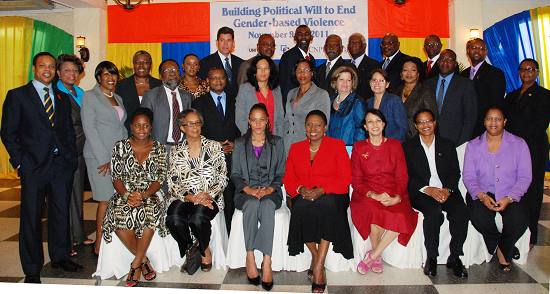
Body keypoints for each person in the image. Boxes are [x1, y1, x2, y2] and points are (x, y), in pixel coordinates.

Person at [1, 52, 81, 283]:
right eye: (42, 66)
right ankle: (32, 268)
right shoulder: (18, 96)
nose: (47, 70)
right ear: (34, 68)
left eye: (51, 66)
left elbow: (66, 131)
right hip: (33, 167)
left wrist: (70, 158)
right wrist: (19, 162)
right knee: (31, 217)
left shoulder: (62, 97)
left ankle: (60, 256)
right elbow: (8, 132)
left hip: (61, 166)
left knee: (60, 213)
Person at [284, 110, 353, 293]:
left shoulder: (337, 145)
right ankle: (316, 257)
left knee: (328, 205)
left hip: (332, 193)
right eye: (309, 124)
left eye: (318, 125)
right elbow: (289, 177)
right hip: (305, 193)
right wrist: (300, 190)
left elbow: (345, 177)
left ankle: (318, 266)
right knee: (299, 207)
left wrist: (322, 190)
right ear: (304, 127)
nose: (313, 128)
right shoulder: (296, 148)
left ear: (325, 128)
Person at [102, 107, 167, 287]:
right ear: (131, 127)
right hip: (126, 192)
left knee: (151, 211)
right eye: (137, 126)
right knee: (116, 213)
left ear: (151, 128)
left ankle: (135, 264)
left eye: (145, 126)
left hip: (151, 192)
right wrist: (127, 195)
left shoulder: (159, 148)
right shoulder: (120, 147)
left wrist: (144, 195)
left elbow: (159, 179)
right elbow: (116, 178)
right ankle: (144, 260)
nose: (141, 129)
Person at [463, 107, 531, 272]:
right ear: (484, 121)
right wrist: (482, 196)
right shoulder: (473, 145)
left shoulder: (519, 144)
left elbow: (525, 177)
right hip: (482, 192)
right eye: (489, 119)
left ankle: (502, 249)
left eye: (498, 119)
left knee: (518, 220)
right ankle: (502, 246)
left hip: (510, 192)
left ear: (505, 122)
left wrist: (509, 198)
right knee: (479, 217)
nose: (493, 123)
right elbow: (468, 176)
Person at [403, 109, 469, 278]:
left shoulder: (447, 144)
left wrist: (447, 189)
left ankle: (455, 258)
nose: (425, 125)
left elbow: (455, 172)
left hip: (446, 190)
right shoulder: (408, 146)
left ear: (435, 123)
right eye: (421, 122)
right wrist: (428, 189)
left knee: (460, 212)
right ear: (416, 126)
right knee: (433, 213)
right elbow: (407, 175)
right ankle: (431, 257)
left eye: (428, 121)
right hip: (422, 192)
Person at [351, 109, 418, 275]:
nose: (374, 125)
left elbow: (402, 176)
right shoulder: (359, 147)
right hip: (367, 193)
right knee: (373, 213)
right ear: (365, 127)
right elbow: (356, 180)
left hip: (394, 192)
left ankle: (373, 255)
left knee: (402, 216)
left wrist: (397, 197)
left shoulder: (395, 145)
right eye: (370, 122)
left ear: (384, 124)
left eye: (378, 121)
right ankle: (377, 256)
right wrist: (373, 195)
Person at [231, 104, 286, 291]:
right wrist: (248, 189)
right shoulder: (239, 143)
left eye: (262, 119)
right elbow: (235, 174)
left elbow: (280, 173)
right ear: (248, 121)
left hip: (271, 193)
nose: (258, 124)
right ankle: (250, 256)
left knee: (268, 207)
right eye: (254, 120)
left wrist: (270, 189)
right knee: (253, 205)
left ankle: (267, 261)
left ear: (267, 121)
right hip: (245, 193)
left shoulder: (277, 142)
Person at [166, 109, 228, 273]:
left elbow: (223, 177)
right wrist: (189, 197)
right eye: (190, 124)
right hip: (185, 197)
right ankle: (198, 250)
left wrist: (208, 194)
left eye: (197, 123)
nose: (195, 127)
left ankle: (201, 251)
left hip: (209, 196)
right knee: (173, 219)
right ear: (182, 128)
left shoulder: (214, 147)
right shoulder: (175, 151)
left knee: (197, 219)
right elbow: (172, 181)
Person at [82, 61, 128, 256]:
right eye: (106, 75)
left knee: (118, 198)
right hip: (99, 157)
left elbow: (121, 128)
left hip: (119, 155)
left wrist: (127, 153)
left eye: (113, 74)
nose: (110, 78)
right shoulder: (90, 97)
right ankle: (99, 240)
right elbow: (90, 129)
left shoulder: (117, 97)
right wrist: (104, 159)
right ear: (98, 77)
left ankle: (115, 239)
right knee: (105, 199)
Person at [504, 58, 550, 248]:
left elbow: (540, 125)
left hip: (534, 149)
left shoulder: (545, 95)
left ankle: (531, 233)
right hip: (511, 151)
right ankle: (515, 230)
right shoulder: (512, 96)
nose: (527, 73)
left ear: (537, 72)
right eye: (523, 70)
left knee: (533, 191)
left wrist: (518, 141)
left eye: (531, 69)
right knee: (515, 190)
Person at [192, 67, 241, 233]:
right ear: (207, 81)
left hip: (234, 156)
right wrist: (215, 145)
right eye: (214, 78)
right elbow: (196, 132)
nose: (218, 81)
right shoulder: (199, 102)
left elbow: (243, 126)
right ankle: (217, 240)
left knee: (233, 199)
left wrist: (236, 143)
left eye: (221, 78)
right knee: (217, 200)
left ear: (226, 80)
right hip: (210, 159)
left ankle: (234, 239)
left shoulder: (236, 100)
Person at [54, 54, 93, 255]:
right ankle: (65, 240)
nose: (72, 74)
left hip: (80, 151)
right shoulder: (55, 93)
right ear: (59, 72)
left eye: (75, 71)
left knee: (77, 194)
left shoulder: (80, 92)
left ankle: (78, 235)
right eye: (67, 70)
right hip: (63, 154)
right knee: (63, 197)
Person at [424, 49, 477, 146]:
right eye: (442, 59)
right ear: (438, 62)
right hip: (430, 139)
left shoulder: (465, 84)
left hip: (455, 140)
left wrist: (462, 143)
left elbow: (470, 117)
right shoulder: (428, 84)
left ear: (455, 64)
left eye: (449, 60)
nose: (445, 62)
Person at [141, 59, 193, 146]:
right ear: (160, 76)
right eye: (167, 70)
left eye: (174, 70)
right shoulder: (150, 96)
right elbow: (144, 123)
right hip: (159, 147)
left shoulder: (187, 96)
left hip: (183, 147)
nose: (172, 73)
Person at [461, 38, 506, 137]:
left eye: (481, 48)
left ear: (486, 52)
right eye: (474, 47)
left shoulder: (495, 73)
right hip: (465, 128)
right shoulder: (463, 74)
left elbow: (497, 102)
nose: (477, 50)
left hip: (484, 127)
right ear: (468, 51)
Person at [283, 58, 330, 153]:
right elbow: (286, 120)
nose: (302, 73)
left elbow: (324, 125)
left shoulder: (321, 94)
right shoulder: (291, 93)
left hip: (308, 145)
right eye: (299, 70)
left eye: (306, 70)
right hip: (287, 145)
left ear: (312, 73)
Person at [235, 55, 284, 137]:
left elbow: (280, 118)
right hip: (252, 139)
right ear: (254, 71)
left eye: (266, 68)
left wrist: (277, 138)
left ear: (270, 71)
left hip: (274, 139)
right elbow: (240, 119)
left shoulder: (277, 90)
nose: (263, 71)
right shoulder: (245, 89)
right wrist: (253, 137)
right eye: (259, 68)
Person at [116, 50, 162, 132]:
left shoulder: (160, 85)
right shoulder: (121, 86)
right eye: (137, 62)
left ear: (150, 65)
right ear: (133, 65)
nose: (141, 66)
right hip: (128, 133)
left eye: (145, 62)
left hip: (154, 134)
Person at [396, 60, 438, 139]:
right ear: (401, 74)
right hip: (398, 138)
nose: (409, 73)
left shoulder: (425, 91)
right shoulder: (396, 91)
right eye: (405, 70)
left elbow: (433, 117)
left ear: (418, 74)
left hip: (418, 138)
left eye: (413, 70)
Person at [198, 26, 244, 98]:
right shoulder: (205, 63)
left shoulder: (242, 63)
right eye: (222, 40)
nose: (225, 44)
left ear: (233, 43)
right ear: (217, 42)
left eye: (229, 40)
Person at [326, 66, 366, 146]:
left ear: (352, 83)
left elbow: (361, 130)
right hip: (331, 149)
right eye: (341, 80)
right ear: (335, 82)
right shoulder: (329, 100)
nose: (345, 83)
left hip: (349, 150)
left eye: (348, 80)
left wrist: (354, 150)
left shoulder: (357, 102)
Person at [366, 69, 408, 142]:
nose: (377, 83)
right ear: (370, 83)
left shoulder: (394, 100)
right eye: (374, 80)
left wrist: (386, 143)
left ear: (387, 84)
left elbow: (402, 129)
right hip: (373, 146)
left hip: (392, 145)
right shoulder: (368, 103)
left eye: (381, 81)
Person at [279, 25, 316, 107]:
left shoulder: (312, 58)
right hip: (295, 105)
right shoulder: (288, 57)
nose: (303, 37)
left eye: (306, 34)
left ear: (311, 38)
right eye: (300, 34)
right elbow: (286, 86)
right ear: (295, 38)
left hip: (310, 104)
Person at [347, 33, 380, 101]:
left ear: (364, 46)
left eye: (356, 43)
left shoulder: (374, 65)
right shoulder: (344, 65)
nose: (353, 45)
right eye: (351, 43)